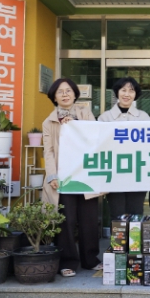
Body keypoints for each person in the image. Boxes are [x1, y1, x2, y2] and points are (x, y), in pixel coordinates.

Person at [42, 78, 100, 277]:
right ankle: (67, 262)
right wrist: (52, 175)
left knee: (89, 219)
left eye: (68, 91)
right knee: (66, 221)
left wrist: (75, 125)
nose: (65, 94)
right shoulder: (49, 122)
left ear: (75, 94)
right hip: (64, 177)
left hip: (86, 174)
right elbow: (48, 151)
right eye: (60, 92)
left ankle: (91, 260)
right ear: (54, 97)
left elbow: (95, 137)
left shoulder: (86, 113)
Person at [98, 77, 150, 216]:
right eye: (123, 90)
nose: (127, 94)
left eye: (131, 91)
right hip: (114, 173)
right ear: (117, 92)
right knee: (117, 214)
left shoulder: (144, 117)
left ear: (135, 94)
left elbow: (149, 145)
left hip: (138, 173)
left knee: (136, 213)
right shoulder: (105, 118)